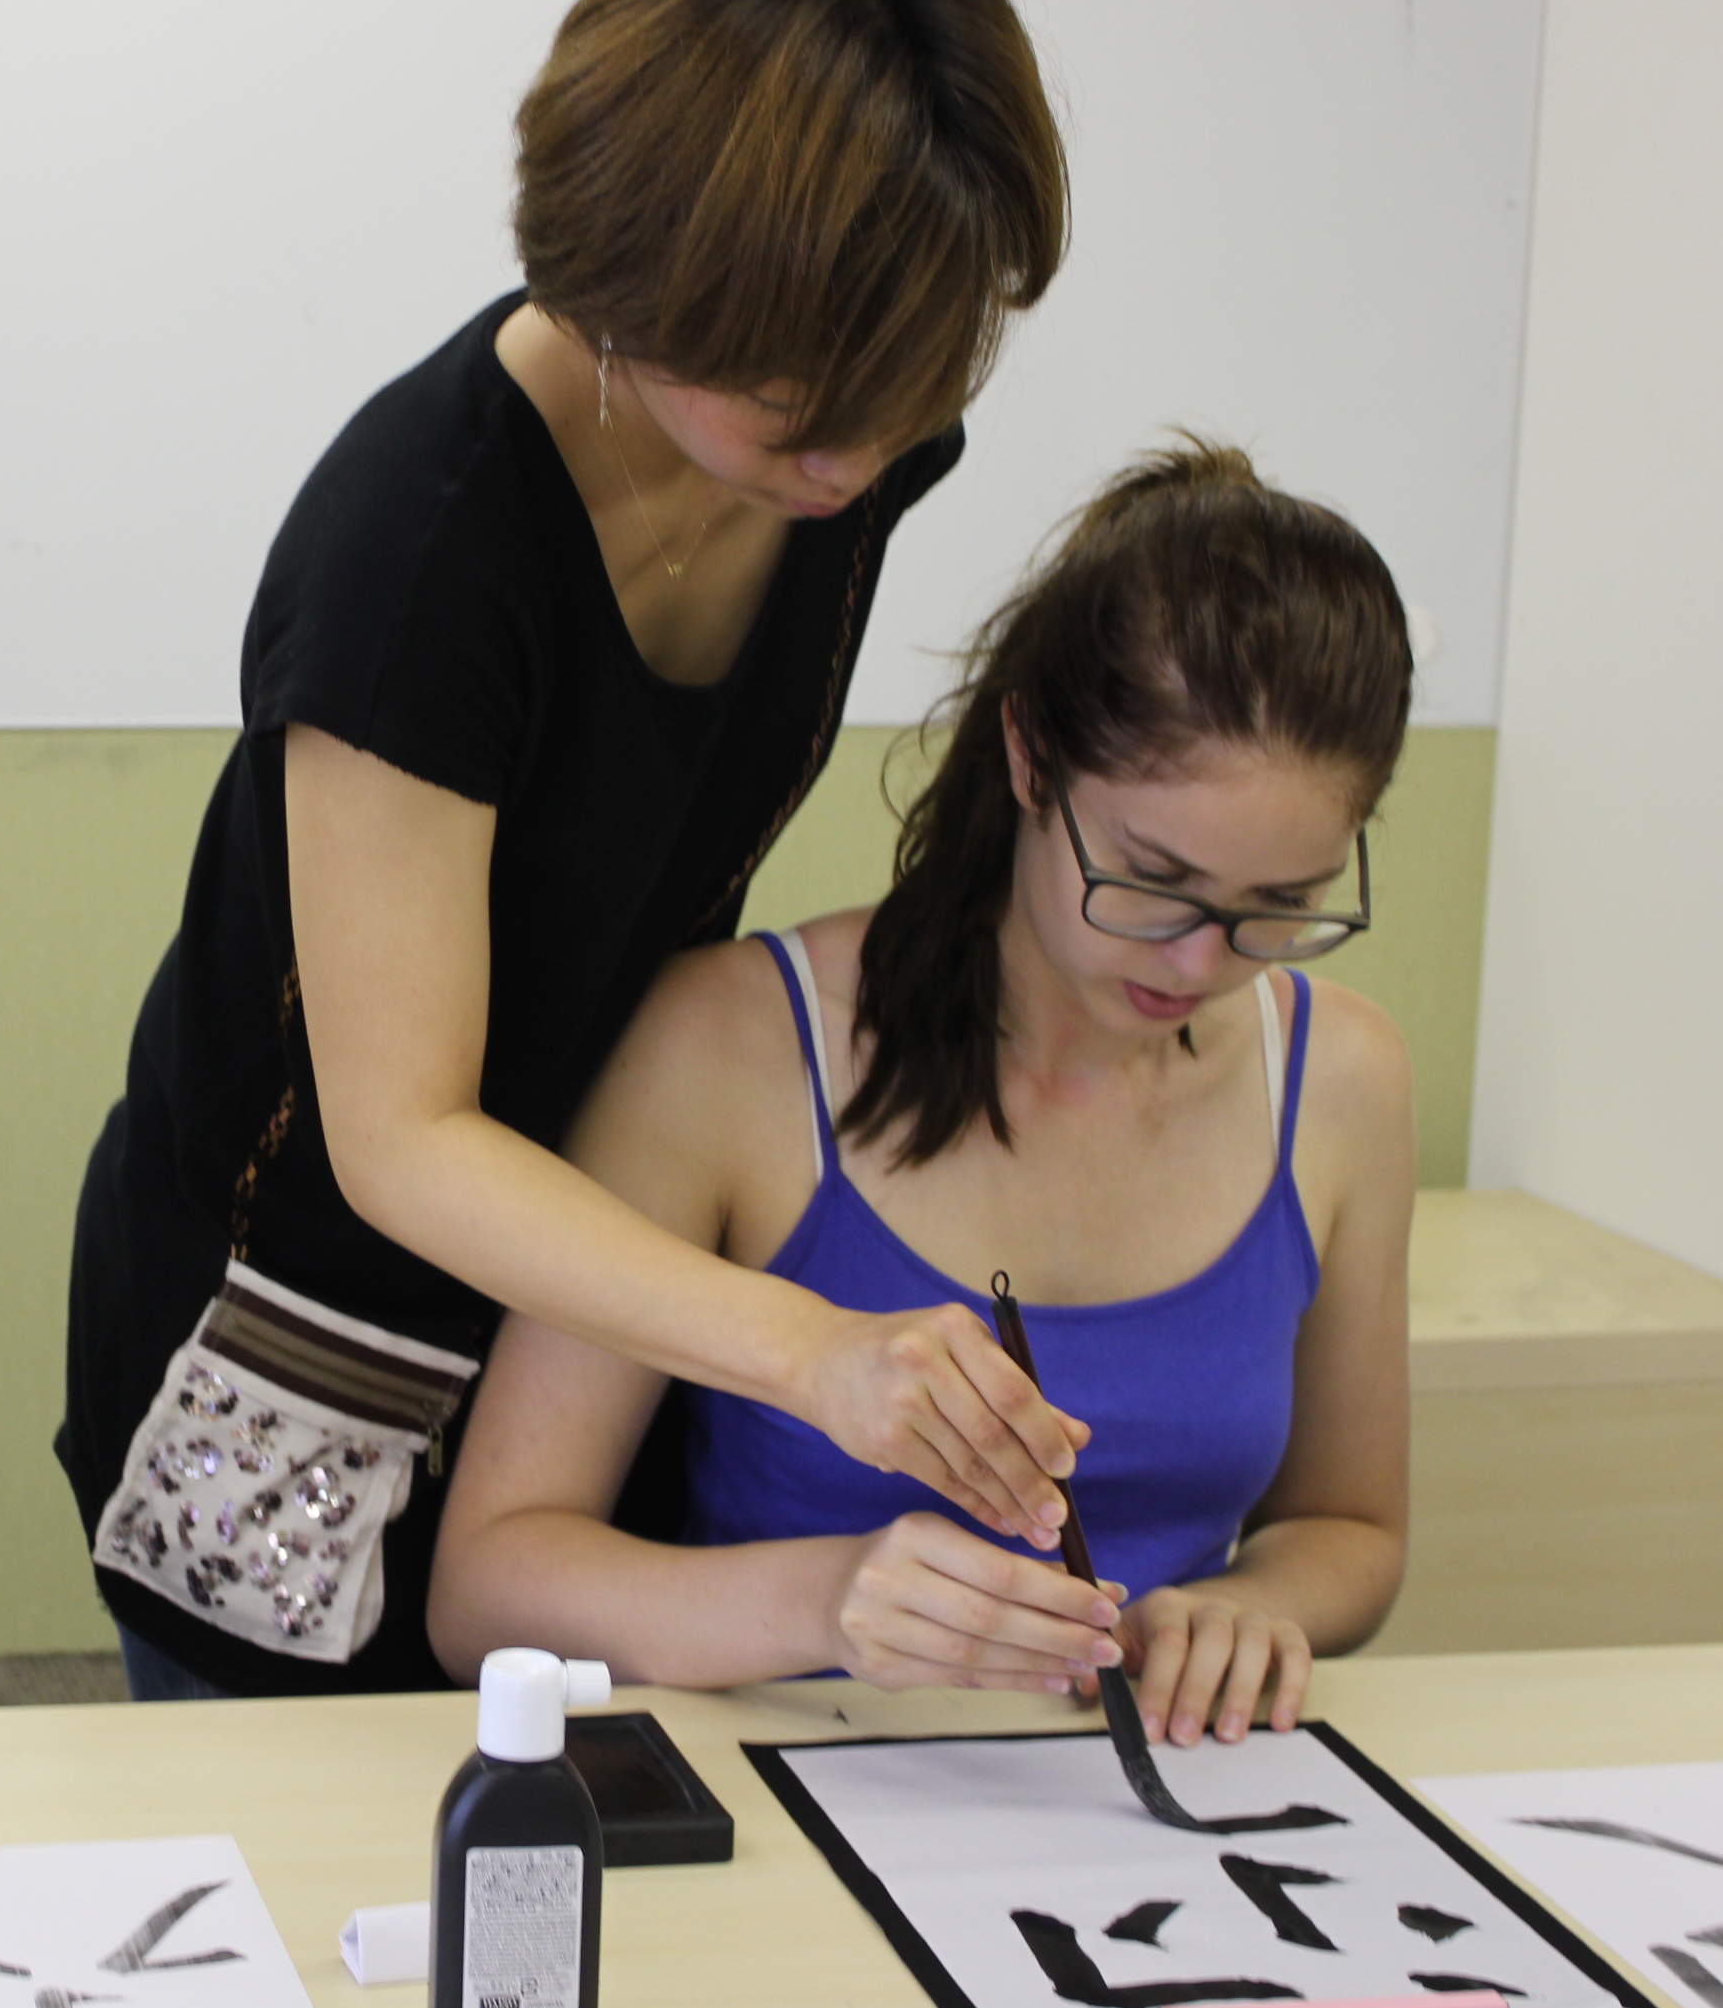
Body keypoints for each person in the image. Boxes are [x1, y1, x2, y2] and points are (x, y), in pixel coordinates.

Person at [61, 0, 1077, 1701]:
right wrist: (810, 1348)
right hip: (307, 1323)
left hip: (598, 1284)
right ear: (627, 288)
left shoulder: (854, 437)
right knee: (329, 1873)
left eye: (904, 400)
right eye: (795, 415)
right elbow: (402, 1139)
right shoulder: (419, 564)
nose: (854, 461)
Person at [430, 442, 1415, 1747]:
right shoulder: (736, 1043)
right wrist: (831, 1604)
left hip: (1165, 1814)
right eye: (1152, 880)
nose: (1201, 963)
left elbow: (1350, 1527)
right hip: (792, 1782)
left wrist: (1250, 1606)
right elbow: (485, 1589)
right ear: (1029, 757)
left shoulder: (1338, 1076)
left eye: (1278, 910)